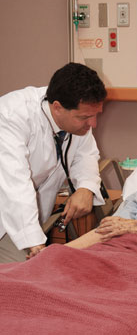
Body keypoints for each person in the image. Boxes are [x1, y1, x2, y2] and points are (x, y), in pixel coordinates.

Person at [0, 62, 107, 262]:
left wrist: (86, 187)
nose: (93, 124)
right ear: (57, 107)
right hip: (9, 207)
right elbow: (15, 185)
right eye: (85, 117)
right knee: (19, 279)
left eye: (95, 115)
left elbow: (86, 154)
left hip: (25, 217)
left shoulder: (76, 116)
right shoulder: (10, 116)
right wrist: (35, 244)